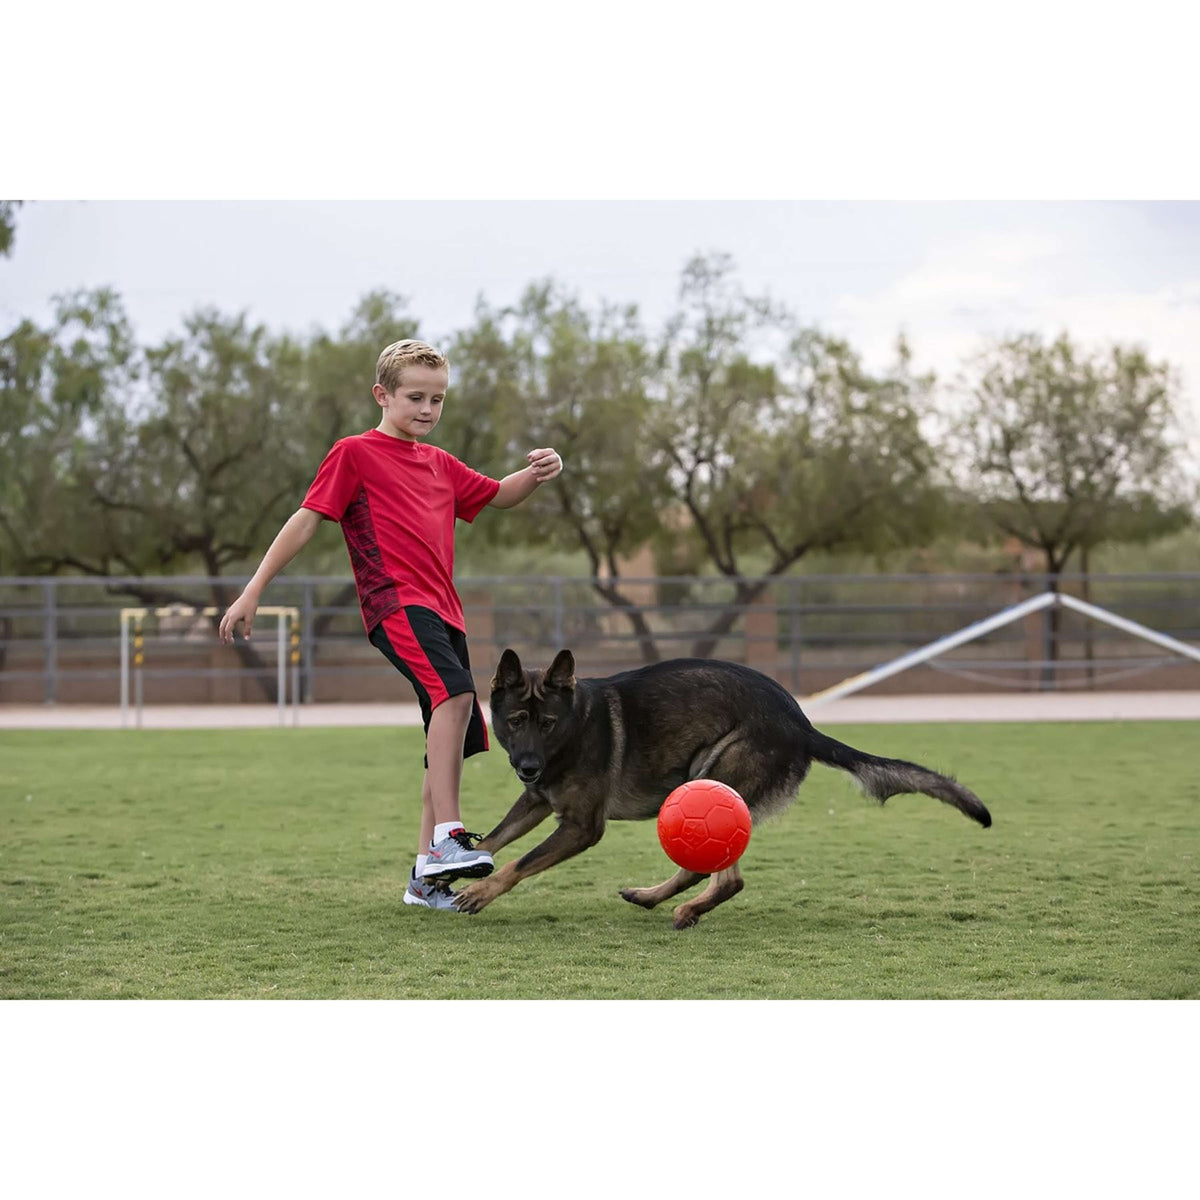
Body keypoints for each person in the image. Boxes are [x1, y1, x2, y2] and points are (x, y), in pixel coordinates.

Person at [217, 338, 562, 911]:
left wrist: (538, 472)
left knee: (445, 731)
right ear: (383, 395)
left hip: (445, 611)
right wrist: (254, 588)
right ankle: (450, 838)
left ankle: (425, 880)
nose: (428, 409)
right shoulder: (354, 453)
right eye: (416, 397)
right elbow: (306, 521)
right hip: (396, 605)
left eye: (438, 400)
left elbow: (499, 495)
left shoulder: (441, 463)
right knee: (455, 697)